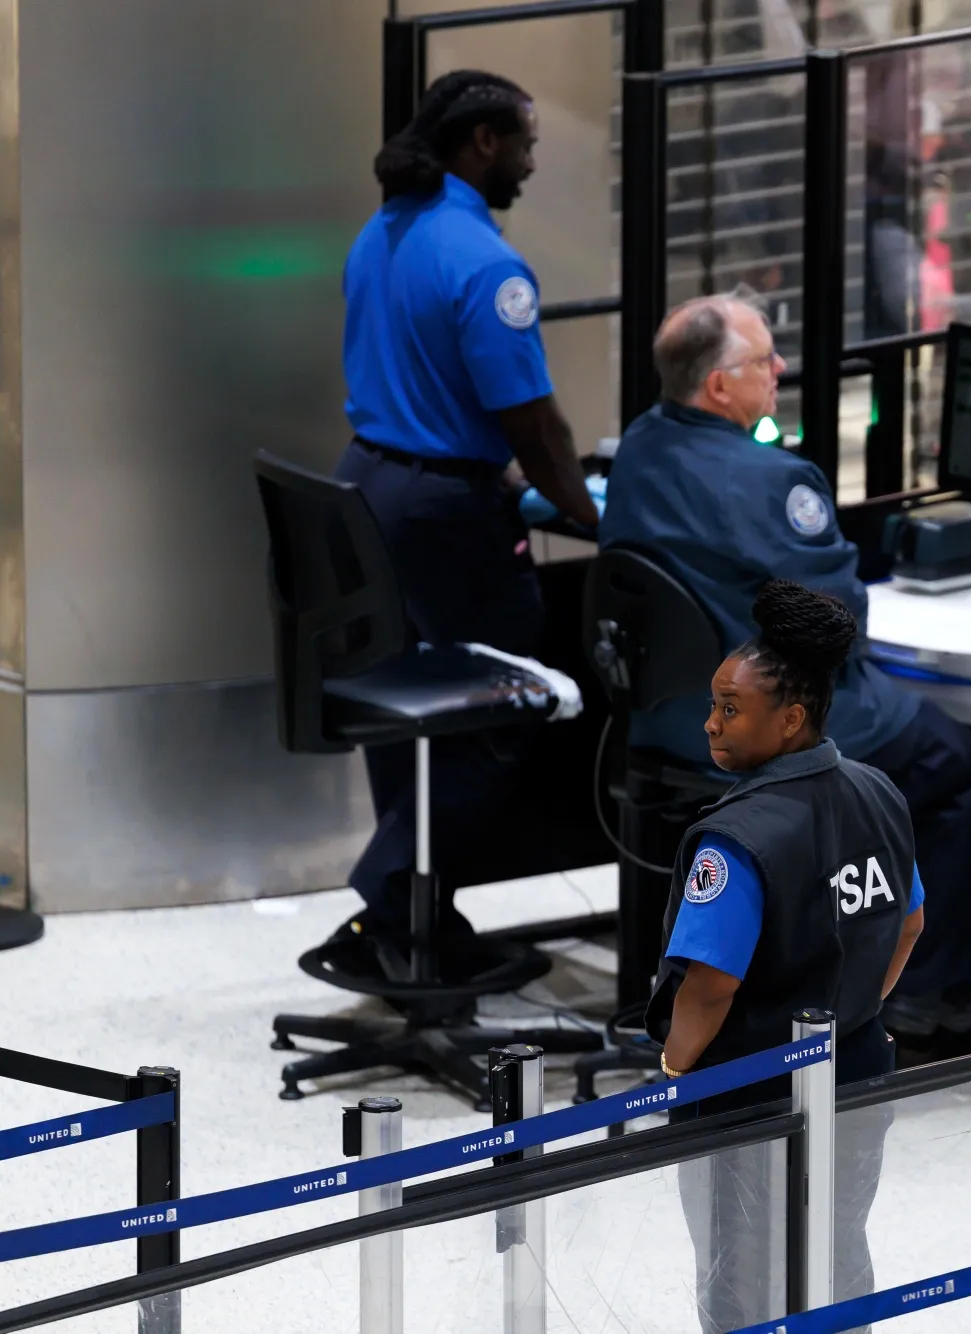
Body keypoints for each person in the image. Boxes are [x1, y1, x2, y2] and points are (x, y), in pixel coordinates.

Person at [600, 291, 971, 1035]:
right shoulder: (772, 480)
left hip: (669, 724)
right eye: (763, 359)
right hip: (777, 725)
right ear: (719, 385)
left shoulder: (639, 449)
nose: (779, 368)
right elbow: (836, 625)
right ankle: (920, 990)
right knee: (956, 758)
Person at [332, 70, 600, 969]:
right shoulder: (489, 267)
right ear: (482, 141)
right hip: (445, 511)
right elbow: (536, 421)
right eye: (522, 143)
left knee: (405, 703)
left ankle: (417, 922)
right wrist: (585, 509)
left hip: (369, 488)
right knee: (508, 694)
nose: (528, 163)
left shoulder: (384, 232)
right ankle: (386, 898)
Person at [646, 580, 922, 1332]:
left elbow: (709, 986)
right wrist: (855, 1009)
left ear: (791, 718)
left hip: (748, 1093)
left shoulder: (737, 841)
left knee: (742, 1275)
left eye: (730, 710)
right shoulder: (879, 793)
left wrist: (673, 1073)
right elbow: (908, 922)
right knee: (838, 1250)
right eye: (713, 704)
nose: (711, 724)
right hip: (859, 1069)